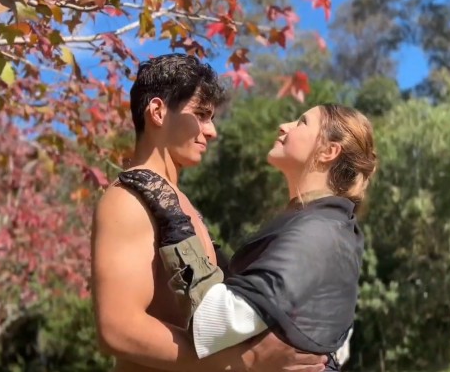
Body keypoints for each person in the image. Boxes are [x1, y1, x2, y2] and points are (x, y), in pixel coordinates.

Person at [91, 53, 329, 372]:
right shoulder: (127, 199)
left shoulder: (178, 205)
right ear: (158, 112)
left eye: (211, 117)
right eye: (201, 115)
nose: (212, 130)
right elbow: (117, 328)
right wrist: (248, 362)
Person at [117, 103, 377, 371]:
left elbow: (216, 322)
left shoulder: (319, 232)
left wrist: (174, 220)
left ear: (328, 151)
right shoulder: (332, 226)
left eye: (302, 122)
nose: (284, 126)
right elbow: (259, 305)